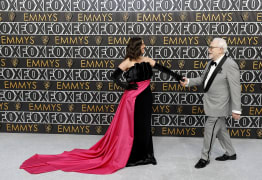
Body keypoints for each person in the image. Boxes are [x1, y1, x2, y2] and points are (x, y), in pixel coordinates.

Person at [20, 37, 183, 174]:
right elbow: (114, 76)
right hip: (132, 99)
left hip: (146, 96)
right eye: (142, 44)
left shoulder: (147, 60)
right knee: (132, 128)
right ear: (137, 47)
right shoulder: (127, 62)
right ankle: (132, 157)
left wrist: (178, 77)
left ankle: (147, 156)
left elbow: (164, 69)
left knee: (145, 126)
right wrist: (126, 86)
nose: (145, 46)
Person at [180, 37, 241, 169]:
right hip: (211, 103)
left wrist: (237, 109)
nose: (209, 49)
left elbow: (235, 88)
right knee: (221, 130)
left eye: (211, 47)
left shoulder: (230, 64)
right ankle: (231, 153)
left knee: (210, 129)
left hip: (220, 105)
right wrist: (189, 81)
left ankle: (204, 157)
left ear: (220, 49)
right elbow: (203, 79)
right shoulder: (210, 63)